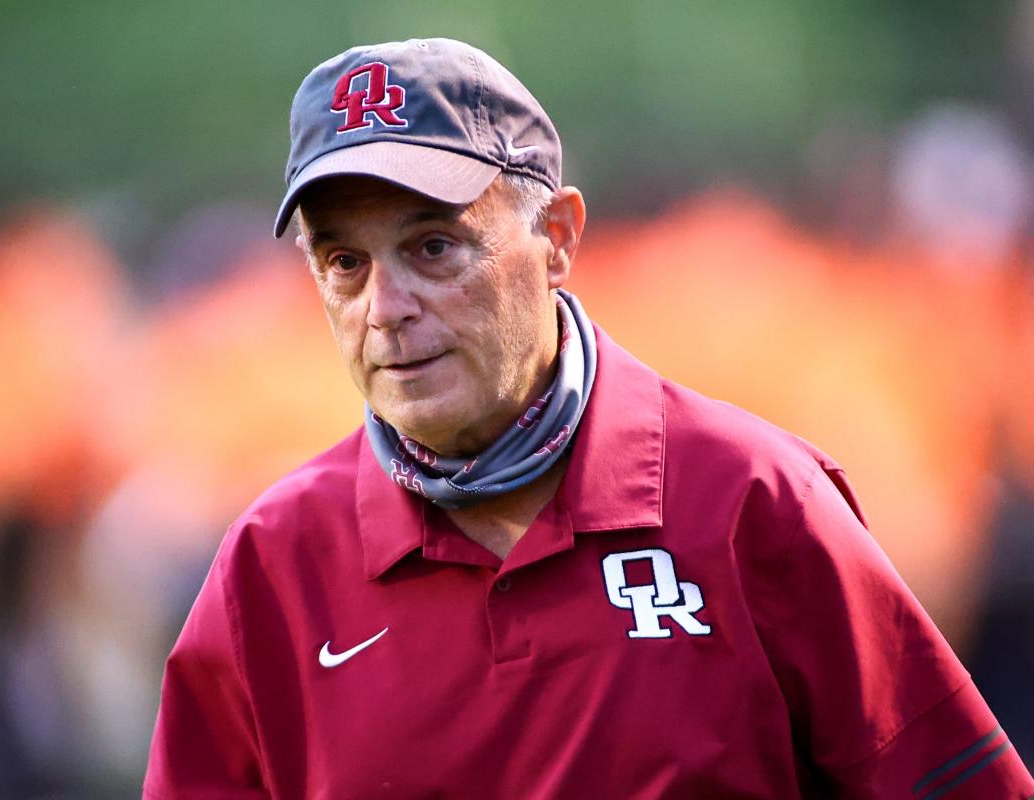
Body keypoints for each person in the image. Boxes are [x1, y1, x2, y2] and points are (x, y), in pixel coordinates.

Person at [142, 37, 1034, 798]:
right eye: (344, 262)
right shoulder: (272, 564)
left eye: (434, 246)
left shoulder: (751, 500)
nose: (386, 307)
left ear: (559, 237)